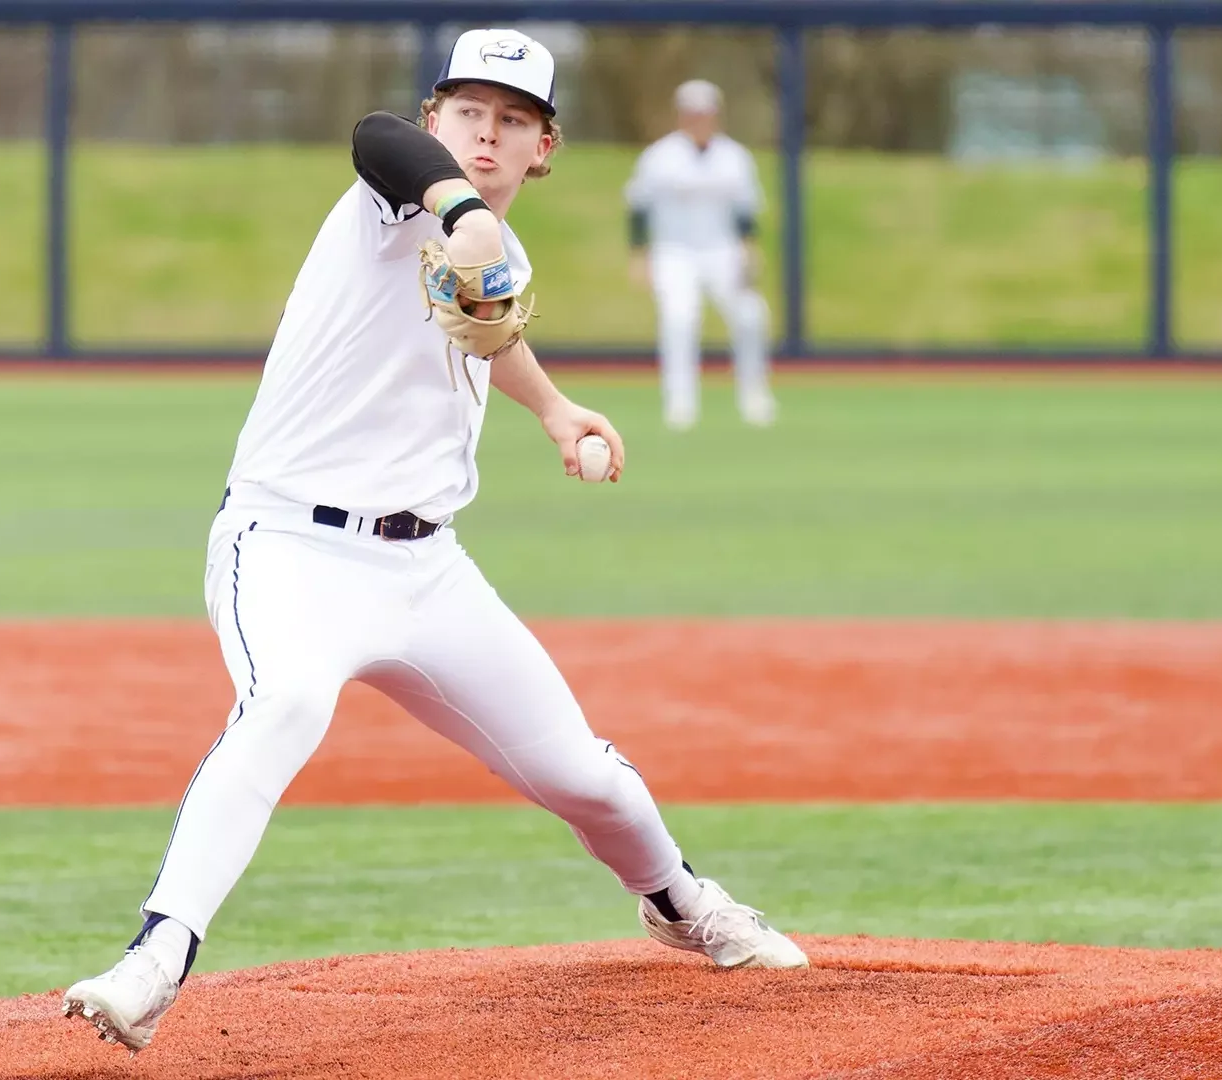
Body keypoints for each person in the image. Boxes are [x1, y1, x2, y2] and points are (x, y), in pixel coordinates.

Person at [60, 29, 808, 1056]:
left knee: (582, 773)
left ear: (545, 148)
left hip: (428, 570)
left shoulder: (500, 251)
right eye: (468, 114)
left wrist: (551, 410)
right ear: (435, 124)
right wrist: (457, 206)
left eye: (512, 122)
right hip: (290, 547)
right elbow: (375, 139)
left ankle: (680, 902)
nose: (486, 136)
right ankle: (155, 959)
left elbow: (484, 328)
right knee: (284, 704)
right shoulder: (392, 202)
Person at [625, 78, 777, 430]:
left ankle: (754, 397)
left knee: (751, 316)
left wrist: (750, 248)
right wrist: (639, 254)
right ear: (681, 115)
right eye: (692, 113)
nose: (699, 119)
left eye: (705, 112)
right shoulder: (660, 157)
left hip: (722, 250)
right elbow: (638, 207)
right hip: (674, 251)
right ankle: (681, 404)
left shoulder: (735, 158)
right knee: (679, 320)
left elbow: (745, 211)